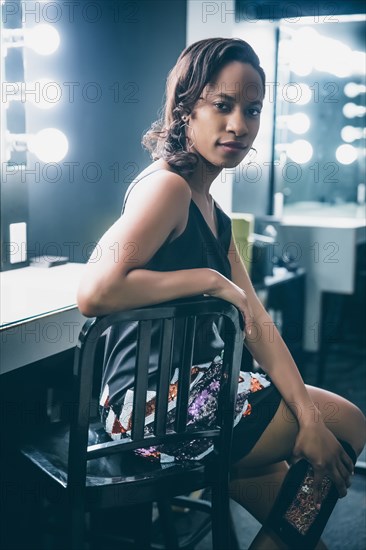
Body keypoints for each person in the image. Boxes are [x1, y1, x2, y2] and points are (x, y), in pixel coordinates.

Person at [77, 37, 366, 549]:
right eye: (223, 106)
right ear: (186, 109)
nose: (240, 125)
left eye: (252, 110)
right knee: (346, 423)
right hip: (145, 410)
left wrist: (305, 418)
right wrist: (210, 281)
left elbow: (258, 325)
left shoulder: (212, 211)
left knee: (304, 525)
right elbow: (95, 291)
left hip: (196, 396)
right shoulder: (166, 188)